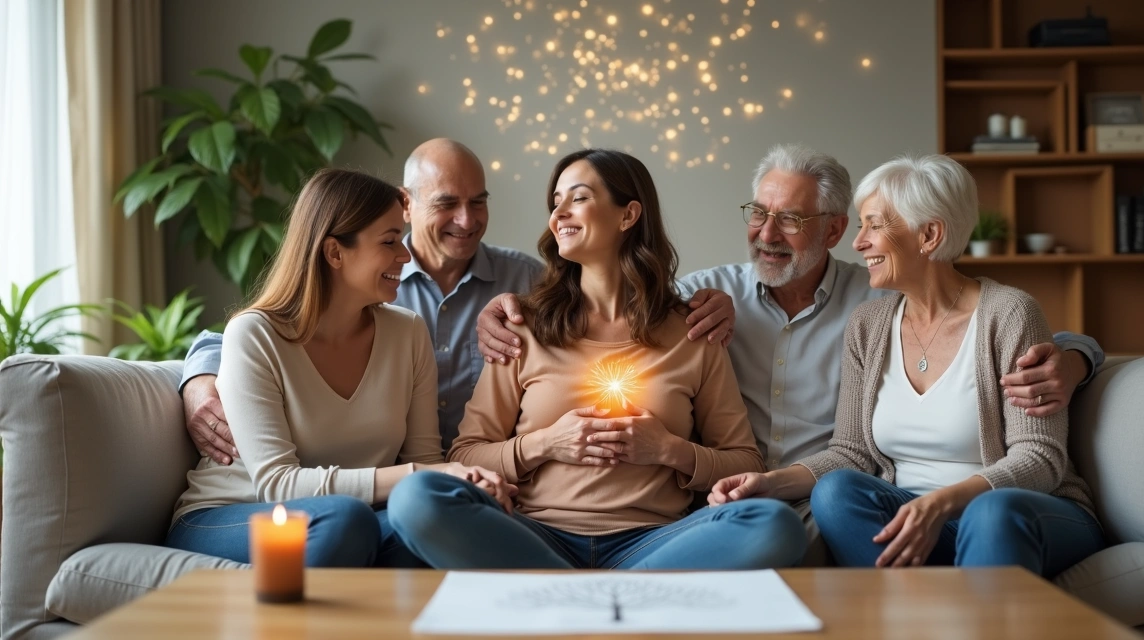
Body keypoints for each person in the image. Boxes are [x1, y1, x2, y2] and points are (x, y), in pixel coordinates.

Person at [476, 144, 1103, 557]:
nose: (766, 234)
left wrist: (1077, 359)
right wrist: (503, 310)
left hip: (953, 503)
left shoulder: (880, 305)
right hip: (792, 495)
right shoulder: (709, 303)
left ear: (833, 229)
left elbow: (1028, 362)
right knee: (830, 496)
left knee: (943, 513)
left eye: (792, 220)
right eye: (759, 213)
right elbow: (630, 303)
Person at [178, 139, 736, 458]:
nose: (467, 221)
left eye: (479, 202)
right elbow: (261, 328)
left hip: (468, 480)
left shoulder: (525, 284)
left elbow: (622, 302)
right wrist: (199, 378)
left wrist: (720, 301)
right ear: (407, 204)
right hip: (428, 481)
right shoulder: (371, 282)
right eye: (447, 203)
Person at [388, 149, 807, 569]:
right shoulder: (521, 326)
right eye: (556, 203)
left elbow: (744, 461)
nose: (559, 215)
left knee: (773, 523)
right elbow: (465, 455)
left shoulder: (693, 331)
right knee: (416, 498)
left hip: (654, 542)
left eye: (579, 198)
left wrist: (667, 449)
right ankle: (613, 592)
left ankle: (564, 590)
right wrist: (547, 443)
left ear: (628, 215)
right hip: (535, 534)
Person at [709, 154, 1104, 577]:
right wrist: (770, 483)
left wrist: (943, 502)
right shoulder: (869, 323)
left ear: (929, 235)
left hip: (1020, 513)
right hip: (916, 518)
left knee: (990, 513)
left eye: (874, 225)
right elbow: (851, 453)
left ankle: (939, 605)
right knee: (836, 492)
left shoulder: (1008, 313)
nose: (859, 242)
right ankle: (917, 602)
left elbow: (1040, 457)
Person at [165, 169, 514, 567]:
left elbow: (426, 461)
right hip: (231, 514)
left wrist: (464, 486)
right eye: (389, 241)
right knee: (344, 521)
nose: (405, 255)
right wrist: (427, 475)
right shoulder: (256, 333)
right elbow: (277, 484)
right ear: (334, 253)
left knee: (439, 522)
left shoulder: (408, 333)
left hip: (355, 519)